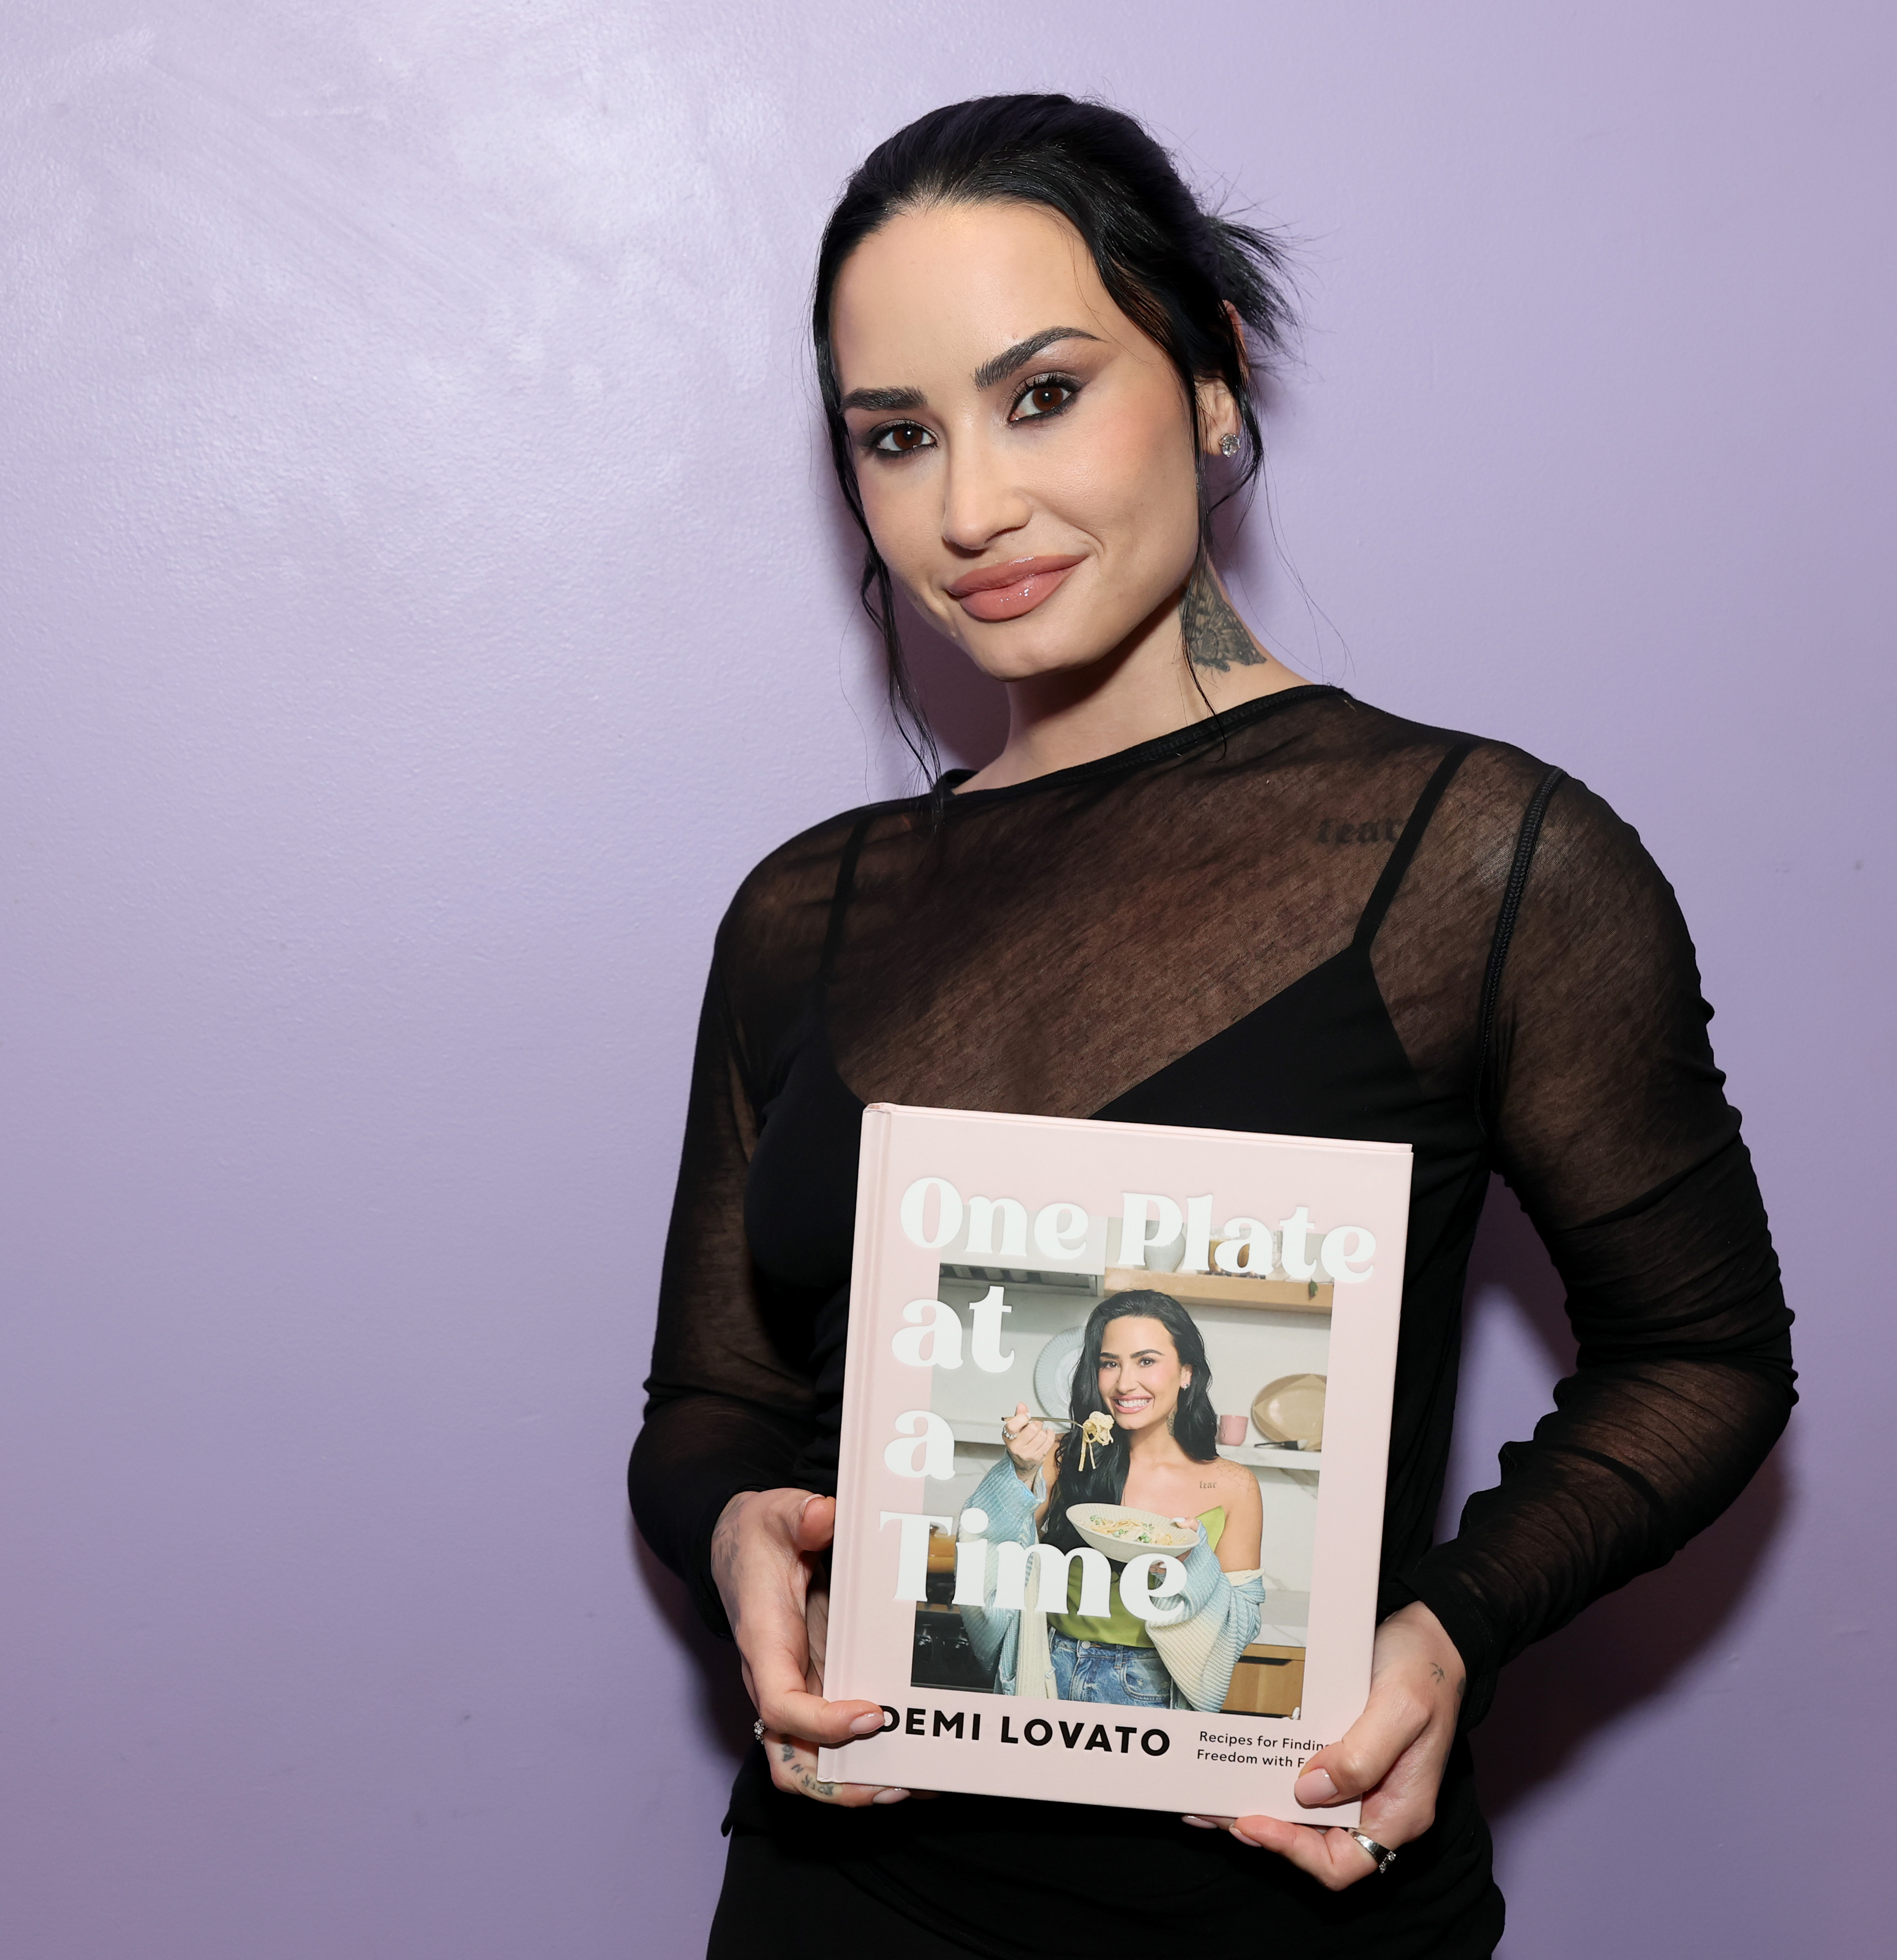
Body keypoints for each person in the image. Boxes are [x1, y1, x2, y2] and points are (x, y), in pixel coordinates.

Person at [628, 93, 1795, 1959]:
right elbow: (712, 1402)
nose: (968, 507)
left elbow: (1708, 1357)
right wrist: (732, 1537)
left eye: (1041, 394)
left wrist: (1449, 1625)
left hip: (1286, 1907)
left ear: (1212, 376)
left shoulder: (1479, 863)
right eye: (896, 438)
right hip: (842, 1907)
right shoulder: (802, 911)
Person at [954, 1291, 1266, 1708]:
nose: (1124, 1383)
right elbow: (984, 1553)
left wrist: (1192, 1568)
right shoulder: (1064, 1455)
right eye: (1110, 1363)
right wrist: (1018, 1472)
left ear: (1187, 1372)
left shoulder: (1234, 1486)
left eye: (1147, 1361)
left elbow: (1243, 1622)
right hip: (1049, 1671)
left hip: (1155, 1685)